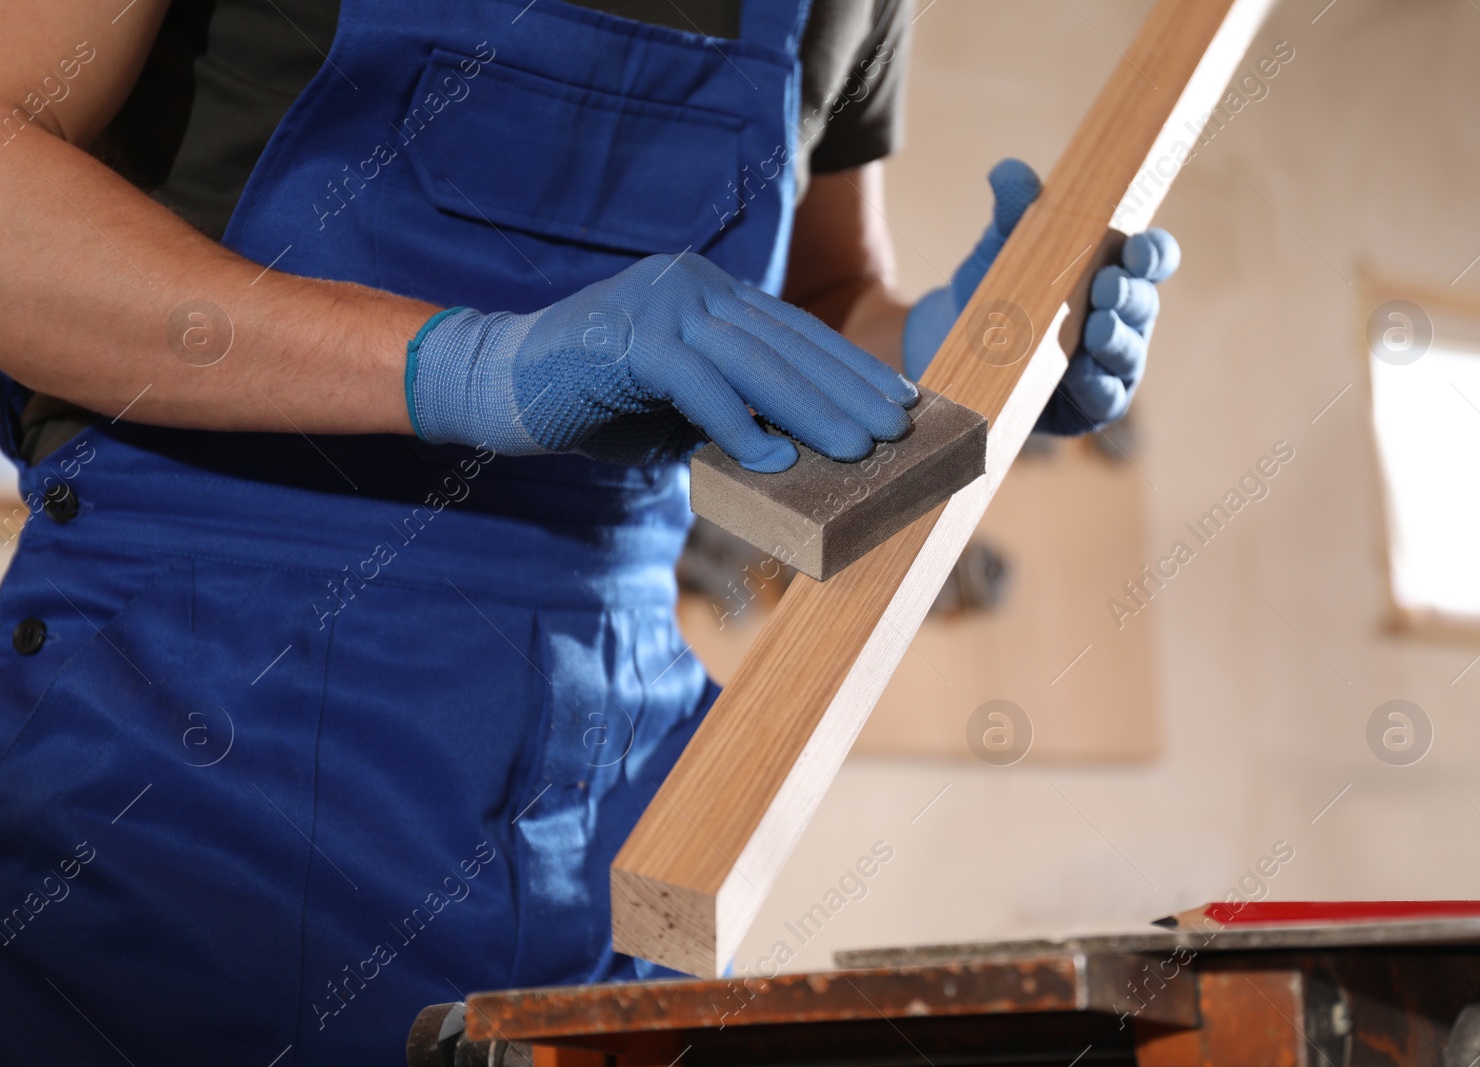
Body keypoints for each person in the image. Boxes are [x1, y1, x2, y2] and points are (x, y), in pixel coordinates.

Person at [0, 0, 1177, 1060]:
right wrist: (470, 366)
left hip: (599, 793)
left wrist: (945, 357)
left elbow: (815, 299)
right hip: (182, 737)